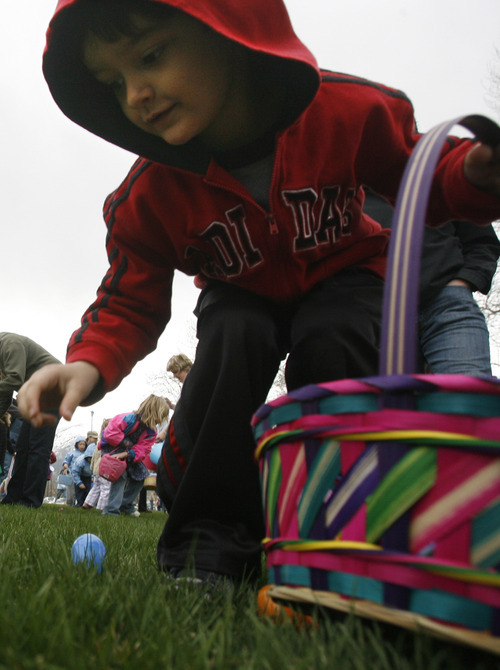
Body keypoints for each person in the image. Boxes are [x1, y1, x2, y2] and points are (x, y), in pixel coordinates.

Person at [18, 0, 500, 583]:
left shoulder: (345, 112)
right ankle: (209, 547)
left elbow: (416, 172)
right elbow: (128, 300)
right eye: (115, 82)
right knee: (233, 331)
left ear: (229, 28)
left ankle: (340, 540)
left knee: (337, 334)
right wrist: (87, 365)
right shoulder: (148, 199)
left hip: (345, 271)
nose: (136, 94)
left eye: (151, 56)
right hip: (239, 288)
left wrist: (471, 174)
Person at [363, 189, 500, 376]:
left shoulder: (436, 178)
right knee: (375, 402)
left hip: (444, 304)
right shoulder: (339, 191)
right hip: (369, 315)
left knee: (466, 395)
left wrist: (463, 281)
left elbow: (481, 239)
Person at [0, 332, 61, 508]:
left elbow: (15, 378)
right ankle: (13, 498)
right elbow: (6, 394)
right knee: (23, 447)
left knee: (38, 447)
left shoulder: (8, 344)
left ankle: (30, 500)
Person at [100, 395, 170, 517]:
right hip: (113, 449)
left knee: (140, 476)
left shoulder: (151, 433)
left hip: (129, 454)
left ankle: (125, 504)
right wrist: (125, 443)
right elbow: (110, 433)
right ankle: (111, 510)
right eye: (161, 417)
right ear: (154, 413)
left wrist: (127, 453)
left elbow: (143, 449)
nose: (160, 421)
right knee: (120, 475)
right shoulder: (128, 418)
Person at [83, 418, 112, 510]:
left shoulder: (99, 444)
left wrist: (92, 468)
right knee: (106, 489)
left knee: (96, 488)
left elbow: (94, 458)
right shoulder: (110, 443)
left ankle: (87, 503)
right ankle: (101, 507)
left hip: (96, 470)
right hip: (104, 470)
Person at [63, 436, 87, 506]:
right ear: (77, 445)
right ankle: (69, 504)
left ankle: (80, 504)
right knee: (70, 491)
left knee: (80, 491)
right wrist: (65, 464)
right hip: (71, 475)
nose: (82, 446)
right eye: (80, 444)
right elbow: (66, 460)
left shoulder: (86, 454)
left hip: (82, 475)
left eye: (83, 444)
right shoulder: (72, 453)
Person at [72, 442, 96, 507]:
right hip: (79, 476)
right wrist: (79, 483)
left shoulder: (95, 462)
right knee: (79, 492)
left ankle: (87, 504)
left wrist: (93, 476)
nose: (90, 460)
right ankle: (79, 504)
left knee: (88, 490)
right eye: (89, 458)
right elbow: (75, 472)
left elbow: (95, 470)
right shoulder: (80, 462)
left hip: (88, 477)